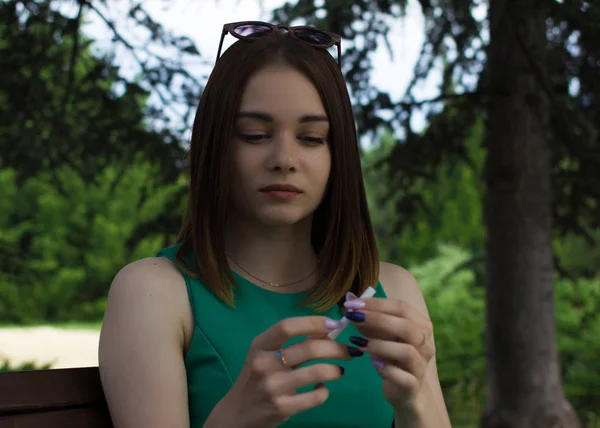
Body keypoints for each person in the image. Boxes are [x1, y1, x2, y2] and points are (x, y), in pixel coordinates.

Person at [98, 21, 452, 428]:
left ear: (340, 156)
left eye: (312, 138)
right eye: (255, 135)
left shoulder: (393, 291)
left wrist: (415, 404)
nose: (284, 158)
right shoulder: (153, 293)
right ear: (215, 146)